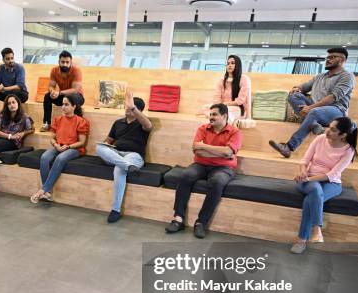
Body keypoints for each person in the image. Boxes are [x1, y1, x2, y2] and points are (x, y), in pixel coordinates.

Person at [165, 103, 243, 238]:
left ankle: (201, 223)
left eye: (214, 114)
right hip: (201, 164)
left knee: (217, 182)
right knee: (185, 175)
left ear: (224, 116)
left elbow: (228, 151)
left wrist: (205, 146)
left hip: (224, 168)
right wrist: (222, 153)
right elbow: (198, 151)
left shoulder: (235, 132)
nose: (211, 117)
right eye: (210, 114)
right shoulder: (203, 128)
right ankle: (178, 218)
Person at [269, 47, 355, 158]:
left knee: (314, 111)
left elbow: (333, 97)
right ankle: (314, 124)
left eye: (332, 57)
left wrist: (310, 108)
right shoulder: (320, 76)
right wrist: (297, 88)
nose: (328, 60)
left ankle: (289, 147)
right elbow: (305, 86)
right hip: (316, 109)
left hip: (336, 110)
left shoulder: (347, 76)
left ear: (342, 60)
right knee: (293, 96)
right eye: (327, 57)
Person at [290, 117, 357, 254]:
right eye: (329, 126)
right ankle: (316, 230)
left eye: (333, 130)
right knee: (315, 189)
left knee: (311, 199)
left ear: (343, 135)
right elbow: (305, 160)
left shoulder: (348, 150)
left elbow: (332, 175)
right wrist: (303, 174)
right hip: (309, 180)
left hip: (331, 183)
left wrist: (308, 179)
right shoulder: (320, 138)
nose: (327, 131)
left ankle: (302, 239)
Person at [95, 92, 152, 223]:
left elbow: (148, 125)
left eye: (130, 107)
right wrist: (105, 148)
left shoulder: (142, 123)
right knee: (99, 147)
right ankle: (127, 167)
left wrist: (133, 108)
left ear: (139, 110)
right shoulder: (118, 122)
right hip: (116, 154)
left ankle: (115, 210)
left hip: (134, 156)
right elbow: (108, 141)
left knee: (118, 169)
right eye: (126, 106)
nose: (127, 108)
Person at [31, 94, 89, 203]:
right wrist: (55, 145)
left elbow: (82, 142)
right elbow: (52, 138)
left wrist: (68, 146)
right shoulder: (58, 119)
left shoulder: (81, 121)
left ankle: (43, 190)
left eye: (66, 104)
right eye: (63, 104)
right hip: (59, 146)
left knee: (60, 158)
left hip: (74, 149)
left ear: (74, 106)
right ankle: (46, 192)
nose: (63, 107)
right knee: (44, 157)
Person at [40, 50, 85, 132]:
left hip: (77, 96)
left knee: (69, 98)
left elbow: (75, 90)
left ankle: (74, 126)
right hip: (63, 96)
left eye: (67, 62)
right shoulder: (54, 70)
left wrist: (59, 92)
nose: (65, 64)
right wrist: (52, 91)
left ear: (71, 62)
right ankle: (47, 123)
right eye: (63, 62)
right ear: (59, 62)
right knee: (47, 96)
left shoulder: (76, 71)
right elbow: (51, 86)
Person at [0, 47, 28, 123]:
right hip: (7, 94)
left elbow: (19, 86)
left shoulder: (20, 68)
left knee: (14, 92)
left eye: (12, 58)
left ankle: (12, 119)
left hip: (21, 94)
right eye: (8, 59)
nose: (11, 60)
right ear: (3, 60)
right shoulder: (1, 68)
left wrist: (3, 89)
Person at [213, 55, 252, 121]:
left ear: (238, 65)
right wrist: (218, 106)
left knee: (225, 112)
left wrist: (223, 105)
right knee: (207, 108)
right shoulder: (222, 80)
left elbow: (240, 100)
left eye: (232, 63)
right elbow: (216, 97)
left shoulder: (244, 79)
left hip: (237, 108)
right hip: (222, 107)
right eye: (228, 63)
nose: (229, 65)